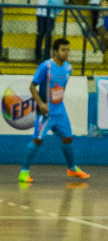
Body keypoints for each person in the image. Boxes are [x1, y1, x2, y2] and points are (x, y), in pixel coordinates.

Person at [18, 38, 90, 183]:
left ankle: (72, 168)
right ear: (55, 51)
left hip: (60, 111)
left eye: (68, 50)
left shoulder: (68, 68)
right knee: (37, 140)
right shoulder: (46, 66)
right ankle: (24, 171)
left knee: (68, 138)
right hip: (46, 112)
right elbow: (32, 86)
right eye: (63, 50)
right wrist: (41, 103)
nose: (66, 53)